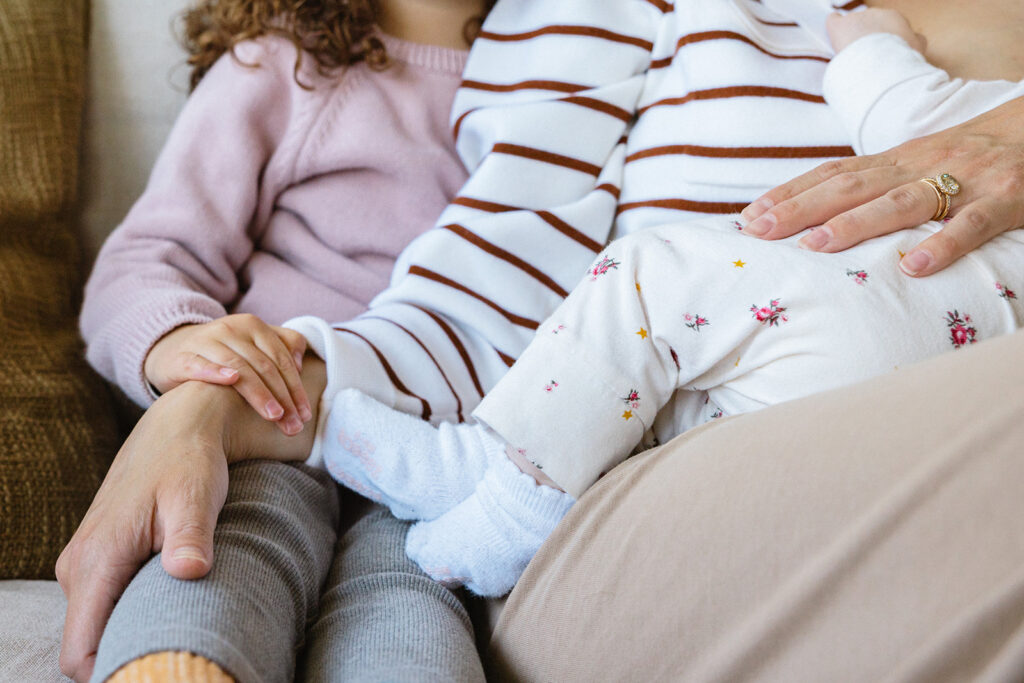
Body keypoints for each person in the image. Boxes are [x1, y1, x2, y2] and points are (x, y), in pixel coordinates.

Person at [59, 0, 1024, 679]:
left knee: (397, 587)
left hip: (916, 378)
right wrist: (217, 393)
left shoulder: (884, 44)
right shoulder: (589, 23)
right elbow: (485, 290)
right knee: (270, 534)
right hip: (641, 448)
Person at [289, 1, 1024, 597]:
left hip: (873, 338)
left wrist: (871, 49)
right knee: (671, 395)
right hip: (924, 367)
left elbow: (920, 124)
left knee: (647, 273)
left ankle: (499, 476)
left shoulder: (972, 115)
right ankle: (511, 465)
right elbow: (500, 250)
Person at [64, 0, 496, 681]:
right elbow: (145, 258)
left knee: (411, 596)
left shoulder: (566, 76)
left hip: (425, 464)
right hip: (268, 423)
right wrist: (180, 343)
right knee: (223, 544)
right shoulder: (285, 61)